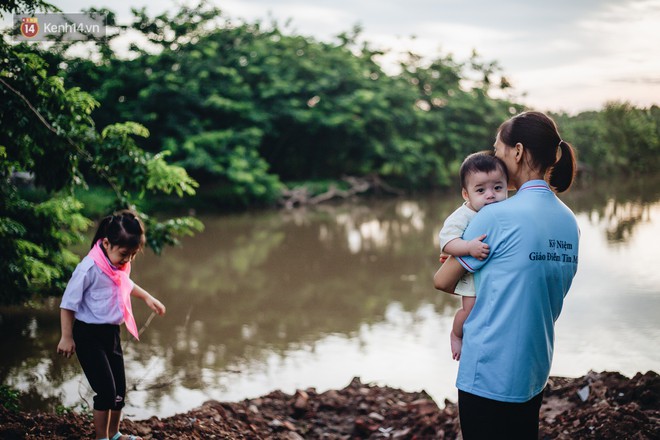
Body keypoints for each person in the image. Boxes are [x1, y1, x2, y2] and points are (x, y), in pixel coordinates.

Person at [433, 111, 580, 439]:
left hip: (488, 369)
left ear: (517, 151)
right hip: (535, 367)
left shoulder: (496, 216)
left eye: (498, 149)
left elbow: (442, 281)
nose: (495, 157)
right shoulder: (568, 221)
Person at [57, 210, 166, 440]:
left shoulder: (118, 267)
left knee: (118, 391)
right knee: (106, 391)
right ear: (106, 243)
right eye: (125, 254)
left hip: (110, 333)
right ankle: (101, 438)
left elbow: (127, 284)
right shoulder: (89, 269)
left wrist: (147, 297)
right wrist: (67, 337)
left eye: (133, 255)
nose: (128, 260)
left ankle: (115, 434)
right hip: (88, 335)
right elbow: (68, 304)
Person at [437, 151, 508, 361]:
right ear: (466, 194)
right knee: (471, 310)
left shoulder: (506, 210)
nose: (490, 195)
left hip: (492, 273)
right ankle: (456, 334)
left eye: (497, 188)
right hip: (469, 275)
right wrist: (468, 247)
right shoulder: (464, 216)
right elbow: (447, 241)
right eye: (480, 190)